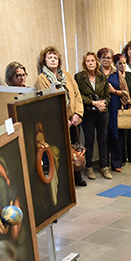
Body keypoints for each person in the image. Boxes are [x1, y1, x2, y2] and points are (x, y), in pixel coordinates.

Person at [35, 46, 86, 187]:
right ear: (44, 61)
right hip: (57, 123)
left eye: (55, 58)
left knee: (75, 150)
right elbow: (46, 103)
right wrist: (62, 120)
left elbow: (77, 95)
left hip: (74, 121)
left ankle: (77, 176)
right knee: (60, 152)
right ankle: (65, 182)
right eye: (49, 58)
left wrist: (77, 114)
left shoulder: (67, 75)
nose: (53, 60)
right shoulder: (42, 79)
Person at [75, 52, 111, 180]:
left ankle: (104, 166)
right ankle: (89, 167)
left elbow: (107, 95)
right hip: (88, 113)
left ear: (97, 63)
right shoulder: (79, 77)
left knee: (103, 140)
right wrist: (94, 103)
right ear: (84, 63)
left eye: (92, 61)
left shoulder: (101, 77)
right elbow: (79, 96)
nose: (90, 63)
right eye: (88, 61)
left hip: (102, 113)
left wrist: (103, 103)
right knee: (89, 141)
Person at [103, 49, 131, 173]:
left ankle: (117, 163)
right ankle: (104, 164)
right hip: (103, 108)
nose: (106, 60)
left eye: (109, 58)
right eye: (104, 57)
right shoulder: (97, 74)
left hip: (116, 107)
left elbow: (125, 92)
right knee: (104, 135)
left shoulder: (117, 74)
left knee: (117, 135)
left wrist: (115, 92)